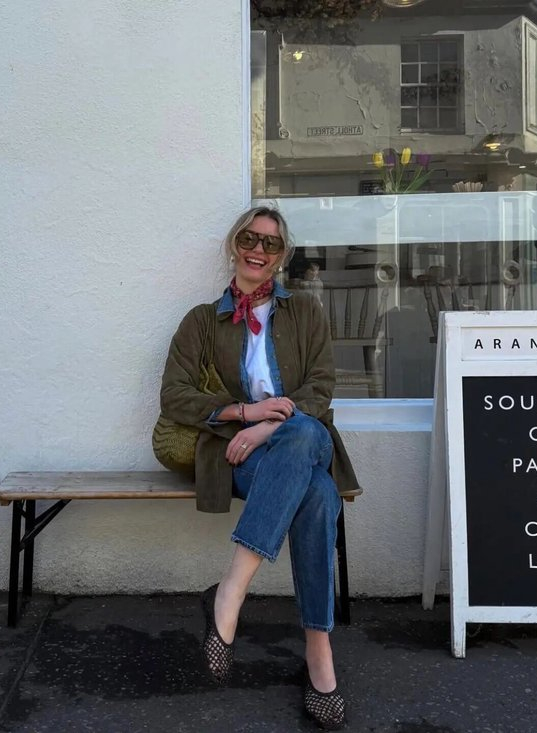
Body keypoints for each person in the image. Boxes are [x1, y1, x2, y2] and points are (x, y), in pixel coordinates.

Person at [159, 205, 360, 730]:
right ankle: (319, 652)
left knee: (302, 432)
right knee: (318, 495)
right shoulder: (202, 321)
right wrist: (243, 415)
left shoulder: (306, 312)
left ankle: (230, 592)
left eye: (271, 244)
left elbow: (320, 387)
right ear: (235, 244)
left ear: (281, 256)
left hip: (298, 440)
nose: (258, 250)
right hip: (240, 455)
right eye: (250, 238)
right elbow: (175, 395)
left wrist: (270, 426)